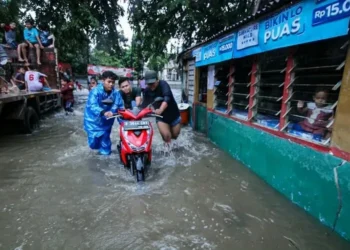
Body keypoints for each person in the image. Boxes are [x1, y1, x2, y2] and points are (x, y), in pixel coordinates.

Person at [84, 71, 124, 155]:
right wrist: (103, 112)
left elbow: (120, 108)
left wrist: (124, 123)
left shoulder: (116, 94)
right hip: (93, 122)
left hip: (107, 123)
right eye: (109, 82)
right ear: (103, 80)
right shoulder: (95, 92)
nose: (111, 84)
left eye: (113, 82)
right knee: (93, 144)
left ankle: (105, 159)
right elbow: (92, 105)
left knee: (105, 147)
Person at [142, 70, 181, 143]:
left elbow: (167, 98)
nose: (151, 85)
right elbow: (144, 105)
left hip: (174, 115)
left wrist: (160, 109)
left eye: (153, 83)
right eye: (149, 84)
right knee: (166, 136)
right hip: (161, 117)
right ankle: (167, 152)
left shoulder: (163, 84)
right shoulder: (147, 91)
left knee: (175, 135)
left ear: (157, 80)